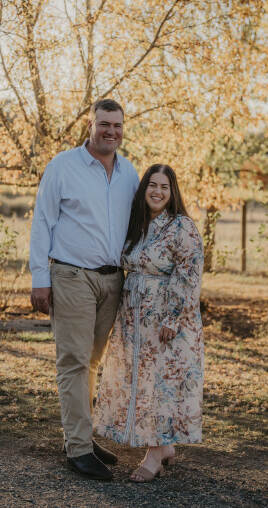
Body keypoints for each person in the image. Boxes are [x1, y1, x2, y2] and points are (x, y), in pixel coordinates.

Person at [29, 98, 139, 480]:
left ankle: (81, 436)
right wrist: (40, 277)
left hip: (113, 279)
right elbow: (42, 222)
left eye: (117, 125)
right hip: (72, 276)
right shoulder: (62, 166)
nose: (111, 131)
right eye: (104, 123)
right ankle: (77, 449)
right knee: (74, 361)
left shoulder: (129, 173)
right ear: (90, 125)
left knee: (92, 362)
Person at [93, 164, 204, 483]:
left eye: (164, 187)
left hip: (165, 318)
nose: (157, 191)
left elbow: (189, 274)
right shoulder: (136, 224)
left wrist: (172, 318)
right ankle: (164, 446)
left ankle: (154, 454)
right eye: (152, 185)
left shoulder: (182, 226)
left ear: (172, 192)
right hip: (133, 317)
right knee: (141, 381)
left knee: (160, 384)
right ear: (144, 190)